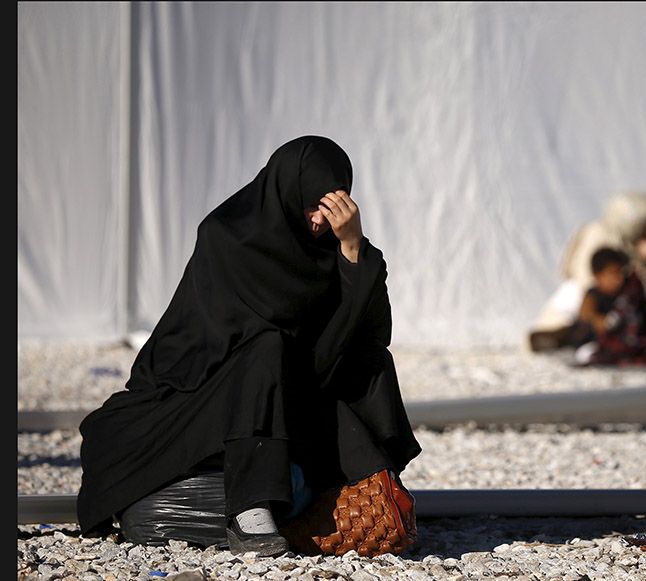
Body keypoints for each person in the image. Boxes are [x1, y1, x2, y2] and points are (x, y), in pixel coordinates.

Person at [77, 136, 422, 557]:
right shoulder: (229, 238)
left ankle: (359, 485)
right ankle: (249, 509)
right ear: (284, 192)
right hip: (208, 390)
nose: (318, 220)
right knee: (266, 346)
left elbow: (369, 334)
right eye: (309, 204)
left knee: (370, 361)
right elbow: (216, 345)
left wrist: (352, 249)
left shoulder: (337, 247)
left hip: (292, 391)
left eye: (331, 206)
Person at [529, 191, 646, 351]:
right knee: (572, 293)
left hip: (624, 310)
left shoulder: (644, 247)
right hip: (590, 306)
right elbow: (590, 284)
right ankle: (558, 336)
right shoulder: (599, 235)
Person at [531, 248, 630, 350]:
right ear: (598, 275)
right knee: (567, 336)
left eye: (620, 273)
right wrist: (599, 320)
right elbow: (586, 312)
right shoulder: (594, 293)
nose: (619, 278)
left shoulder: (625, 293)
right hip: (581, 334)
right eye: (613, 273)